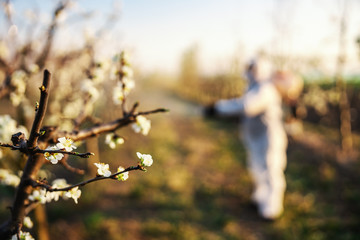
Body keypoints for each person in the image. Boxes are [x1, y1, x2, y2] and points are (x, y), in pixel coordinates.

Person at [213, 58, 288, 220]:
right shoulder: (253, 87)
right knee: (257, 168)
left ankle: (272, 209)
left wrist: (219, 108)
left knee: (271, 170)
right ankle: (261, 199)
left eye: (253, 69)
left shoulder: (266, 89)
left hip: (269, 138)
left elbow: (247, 106)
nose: (249, 72)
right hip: (255, 137)